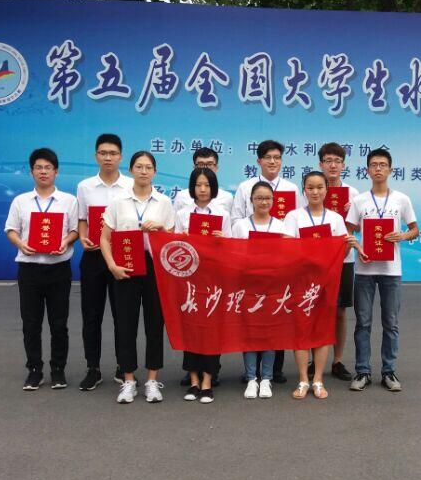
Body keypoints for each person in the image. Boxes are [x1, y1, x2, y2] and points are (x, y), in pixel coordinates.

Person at [100, 151, 174, 404]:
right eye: (139, 166)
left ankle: (152, 380)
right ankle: (129, 380)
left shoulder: (164, 202)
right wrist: (112, 265)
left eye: (148, 167)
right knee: (126, 325)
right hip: (126, 266)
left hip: (155, 268)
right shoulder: (118, 201)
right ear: (131, 170)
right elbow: (105, 238)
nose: (144, 171)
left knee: (155, 324)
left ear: (155, 172)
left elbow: (172, 239)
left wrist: (161, 229)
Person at [283, 171, 363, 400]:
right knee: (301, 328)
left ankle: (318, 379)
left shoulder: (335, 219)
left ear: (327, 190)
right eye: (310, 187)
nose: (315, 192)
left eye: (320, 187)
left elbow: (341, 255)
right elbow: (286, 247)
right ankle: (303, 379)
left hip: (327, 281)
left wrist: (347, 245)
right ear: (304, 190)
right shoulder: (293, 216)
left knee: (323, 328)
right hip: (301, 280)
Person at [4, 148, 79, 391]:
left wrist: (66, 241)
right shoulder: (21, 201)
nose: (43, 172)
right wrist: (21, 244)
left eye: (48, 168)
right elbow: (11, 229)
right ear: (31, 172)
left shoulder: (69, 201)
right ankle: (34, 370)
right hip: (29, 270)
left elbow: (75, 230)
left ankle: (58, 370)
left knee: (59, 323)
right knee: (31, 323)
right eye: (39, 167)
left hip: (59, 269)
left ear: (56, 172)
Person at [346, 149, 419, 393]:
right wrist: (357, 246)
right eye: (374, 164)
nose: (378, 168)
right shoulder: (359, 201)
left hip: (391, 270)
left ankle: (389, 371)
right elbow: (348, 230)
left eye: (383, 164)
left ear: (390, 170)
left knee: (391, 323)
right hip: (364, 269)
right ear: (367, 170)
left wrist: (402, 236)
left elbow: (415, 229)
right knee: (363, 323)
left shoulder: (402, 199)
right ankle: (362, 371)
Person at [232, 140, 303, 383]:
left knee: (276, 318)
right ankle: (251, 372)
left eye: (277, 157)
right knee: (251, 320)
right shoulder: (245, 187)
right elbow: (236, 219)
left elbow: (297, 219)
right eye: (268, 157)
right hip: (250, 266)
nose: (273, 161)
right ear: (259, 161)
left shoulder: (292, 188)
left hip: (277, 268)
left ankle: (274, 371)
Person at [75, 133, 133, 391]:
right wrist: (83, 237)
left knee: (123, 315)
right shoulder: (85, 186)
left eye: (113, 153)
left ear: (121, 156)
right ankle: (93, 368)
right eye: (103, 153)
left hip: (123, 256)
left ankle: (124, 365)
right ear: (96, 156)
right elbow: (82, 219)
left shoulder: (131, 185)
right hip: (94, 257)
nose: (108, 158)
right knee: (92, 314)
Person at [175, 167, 230, 404]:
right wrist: (183, 238)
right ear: (192, 187)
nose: (203, 189)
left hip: (213, 277)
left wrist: (222, 240)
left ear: (213, 187)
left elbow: (231, 247)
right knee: (191, 327)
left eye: (207, 185)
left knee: (212, 328)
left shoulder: (222, 213)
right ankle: (194, 379)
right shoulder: (182, 213)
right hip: (189, 276)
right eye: (198, 185)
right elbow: (174, 245)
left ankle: (208, 379)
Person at [230, 181, 286, 399]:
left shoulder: (281, 226)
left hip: (273, 287)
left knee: (270, 333)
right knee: (250, 332)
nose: (263, 202)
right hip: (248, 287)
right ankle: (251, 378)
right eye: (259, 198)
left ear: (273, 201)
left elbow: (288, 255)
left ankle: (266, 378)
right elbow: (233, 254)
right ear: (251, 200)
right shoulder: (241, 226)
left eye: (267, 198)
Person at [318, 142, 360, 381]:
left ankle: (337, 360)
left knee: (340, 310)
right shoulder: (313, 188)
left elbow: (362, 227)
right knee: (316, 308)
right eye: (328, 161)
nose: (332, 165)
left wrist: (352, 214)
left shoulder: (353, 193)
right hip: (317, 260)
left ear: (343, 165)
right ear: (321, 164)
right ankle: (315, 360)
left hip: (344, 258)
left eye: (337, 161)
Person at [172, 147, 234, 215]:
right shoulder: (182, 196)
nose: (205, 168)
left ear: (216, 168)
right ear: (194, 168)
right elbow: (175, 220)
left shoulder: (227, 197)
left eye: (209, 164)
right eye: (201, 164)